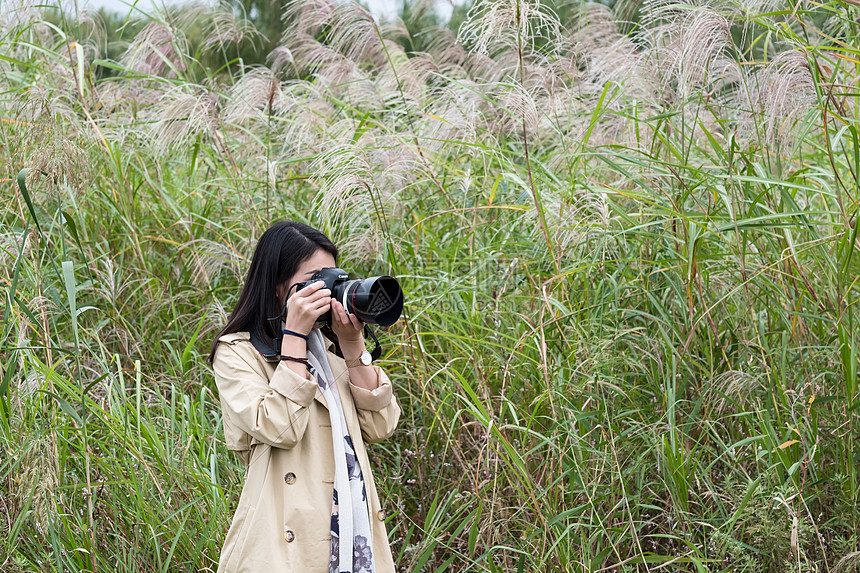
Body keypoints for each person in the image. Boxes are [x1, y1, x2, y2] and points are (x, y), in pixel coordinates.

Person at [208, 221, 401, 573]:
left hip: (352, 533)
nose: (327, 291)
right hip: (280, 547)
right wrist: (293, 335)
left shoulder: (331, 349)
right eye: (315, 279)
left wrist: (354, 344)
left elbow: (382, 424)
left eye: (333, 278)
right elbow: (281, 427)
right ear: (280, 286)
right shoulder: (238, 353)